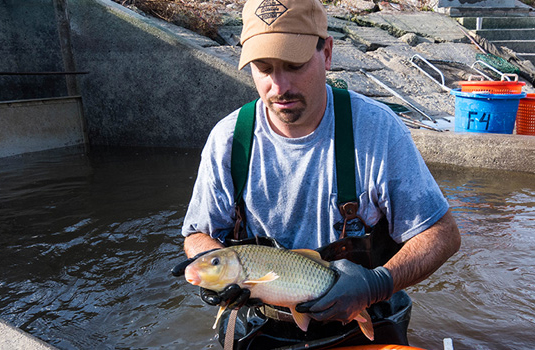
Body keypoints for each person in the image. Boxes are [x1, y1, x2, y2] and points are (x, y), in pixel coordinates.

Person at [180, 0, 461, 348]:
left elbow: (443, 233)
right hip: (263, 328)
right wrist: (214, 271)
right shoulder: (228, 141)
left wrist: (377, 283)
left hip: (361, 324)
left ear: (327, 53)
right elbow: (198, 235)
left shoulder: (378, 130)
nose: (278, 86)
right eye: (263, 67)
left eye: (294, 65)